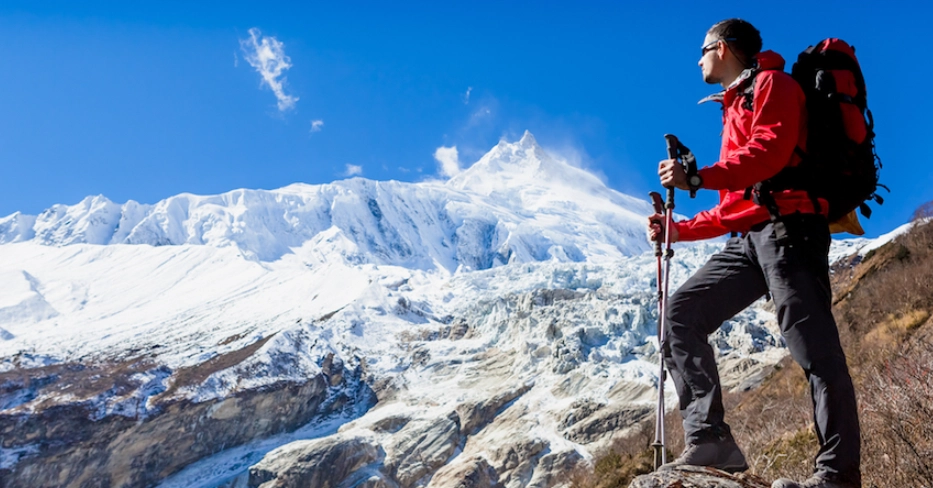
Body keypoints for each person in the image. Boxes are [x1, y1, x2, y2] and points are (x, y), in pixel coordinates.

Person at [646, 19, 861, 488]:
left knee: (815, 351)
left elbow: (771, 153)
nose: (698, 59)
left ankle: (838, 476)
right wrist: (676, 231)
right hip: (749, 238)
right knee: (682, 311)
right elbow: (736, 206)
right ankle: (710, 440)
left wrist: (697, 178)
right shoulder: (736, 102)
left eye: (702, 49)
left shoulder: (773, 84)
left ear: (721, 49)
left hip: (791, 229)